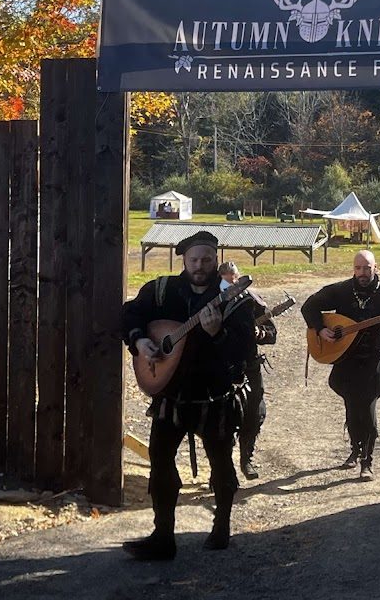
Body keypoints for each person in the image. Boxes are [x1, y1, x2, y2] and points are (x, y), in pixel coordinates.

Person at [120, 231, 252, 559]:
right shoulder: (162, 291)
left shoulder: (233, 299)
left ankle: (222, 525)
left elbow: (245, 349)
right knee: (161, 462)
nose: (200, 265)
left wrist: (217, 332)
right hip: (172, 396)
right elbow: (129, 315)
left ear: (216, 259)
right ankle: (163, 536)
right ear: (184, 259)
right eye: (194, 259)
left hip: (214, 396)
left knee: (221, 463)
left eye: (207, 259)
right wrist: (139, 341)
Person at [300, 250, 380, 481]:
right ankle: (355, 448)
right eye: (358, 268)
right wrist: (320, 328)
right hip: (346, 355)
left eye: (367, 268)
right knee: (350, 398)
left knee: (368, 401)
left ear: (376, 268)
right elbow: (309, 306)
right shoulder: (342, 290)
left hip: (373, 354)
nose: (362, 273)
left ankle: (367, 460)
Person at [217, 261, 276, 481]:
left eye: (235, 279)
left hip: (249, 364)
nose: (231, 283)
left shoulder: (252, 300)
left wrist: (261, 333)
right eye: (226, 280)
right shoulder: (211, 300)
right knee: (222, 419)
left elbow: (271, 332)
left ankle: (246, 459)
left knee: (254, 412)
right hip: (220, 366)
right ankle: (221, 468)